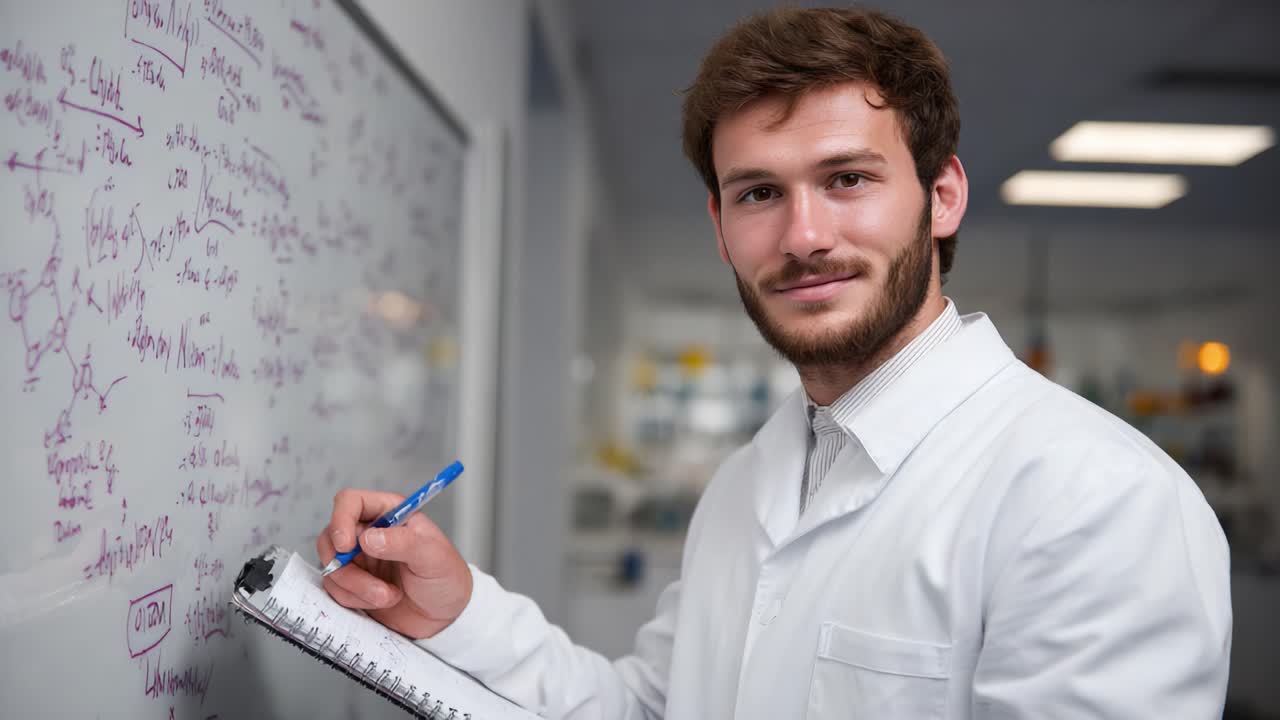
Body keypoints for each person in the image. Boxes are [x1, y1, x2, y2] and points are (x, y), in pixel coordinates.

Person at [317, 7, 1231, 718]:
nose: (804, 236)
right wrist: (459, 611)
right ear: (720, 228)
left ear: (942, 195)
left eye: (848, 179)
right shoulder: (754, 481)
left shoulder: (1097, 500)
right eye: (759, 192)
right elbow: (654, 709)